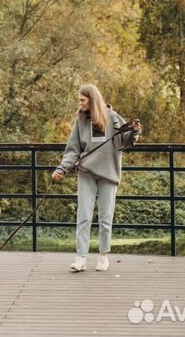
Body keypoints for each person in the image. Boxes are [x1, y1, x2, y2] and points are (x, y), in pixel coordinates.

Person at [52, 84, 141, 272]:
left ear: (92, 99)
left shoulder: (113, 118)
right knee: (83, 216)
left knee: (105, 217)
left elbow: (126, 141)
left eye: (83, 100)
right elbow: (73, 149)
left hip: (109, 174)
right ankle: (81, 258)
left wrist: (135, 131)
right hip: (86, 172)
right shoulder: (81, 121)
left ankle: (103, 256)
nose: (80, 103)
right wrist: (62, 169)